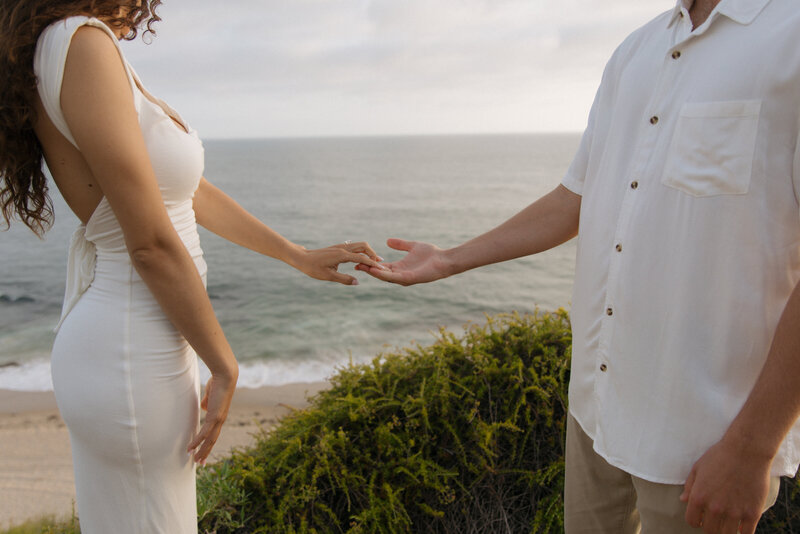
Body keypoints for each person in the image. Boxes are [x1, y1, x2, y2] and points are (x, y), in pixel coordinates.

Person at [359, 0, 800, 532]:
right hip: (596, 407)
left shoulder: (789, 37)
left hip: (703, 438)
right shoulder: (636, 50)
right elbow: (576, 197)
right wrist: (450, 259)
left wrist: (752, 450)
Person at [0, 1, 382, 532]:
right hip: (132, 344)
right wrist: (224, 365)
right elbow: (151, 244)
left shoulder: (64, 45)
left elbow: (188, 194)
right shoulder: (80, 42)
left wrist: (296, 255)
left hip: (125, 337)